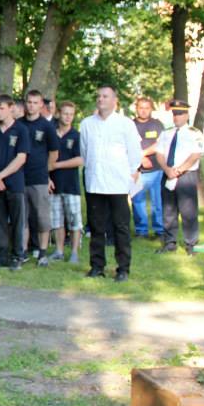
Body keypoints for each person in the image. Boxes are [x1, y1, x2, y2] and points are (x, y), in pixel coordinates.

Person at [80, 85, 142, 282]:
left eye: (105, 96)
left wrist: (129, 175)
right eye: (99, 96)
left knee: (120, 227)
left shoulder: (125, 124)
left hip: (117, 183)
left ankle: (123, 268)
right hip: (95, 182)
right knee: (96, 227)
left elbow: (134, 153)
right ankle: (97, 266)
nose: (101, 99)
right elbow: (84, 151)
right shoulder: (87, 123)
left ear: (115, 101)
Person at [0, 95, 29, 270]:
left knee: (17, 222)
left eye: (1, 108)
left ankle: (17, 255)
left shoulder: (21, 130)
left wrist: (0, 176)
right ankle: (1, 256)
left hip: (14, 183)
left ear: (11, 108)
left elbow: (21, 158)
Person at [155, 99, 204, 256]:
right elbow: (159, 153)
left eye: (180, 114)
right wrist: (167, 169)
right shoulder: (166, 133)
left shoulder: (194, 133)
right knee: (168, 210)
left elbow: (196, 154)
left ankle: (191, 244)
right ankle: (170, 242)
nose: (177, 117)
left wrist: (179, 170)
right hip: (168, 174)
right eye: (175, 114)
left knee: (188, 211)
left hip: (185, 175)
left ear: (187, 115)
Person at [21, 90, 60, 266]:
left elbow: (54, 153)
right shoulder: (18, 124)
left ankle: (42, 253)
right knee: (22, 217)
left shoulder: (47, 126)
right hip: (20, 177)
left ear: (41, 105)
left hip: (39, 179)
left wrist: (46, 171)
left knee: (42, 217)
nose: (31, 106)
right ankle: (22, 252)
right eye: (29, 102)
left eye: (35, 103)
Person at [49, 101, 84, 264]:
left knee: (74, 220)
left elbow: (80, 159)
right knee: (56, 220)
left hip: (71, 185)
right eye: (65, 113)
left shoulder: (76, 136)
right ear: (58, 114)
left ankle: (75, 252)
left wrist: (56, 165)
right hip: (54, 184)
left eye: (71, 114)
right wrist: (47, 177)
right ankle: (59, 250)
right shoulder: (51, 134)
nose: (68, 117)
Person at [131, 97, 165, 238]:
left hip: (156, 169)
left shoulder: (157, 124)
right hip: (136, 170)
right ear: (136, 108)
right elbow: (126, 145)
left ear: (151, 109)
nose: (144, 111)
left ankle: (159, 230)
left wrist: (142, 154)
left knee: (158, 202)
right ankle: (141, 230)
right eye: (141, 107)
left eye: (147, 108)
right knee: (138, 201)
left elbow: (160, 143)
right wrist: (140, 159)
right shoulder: (130, 125)